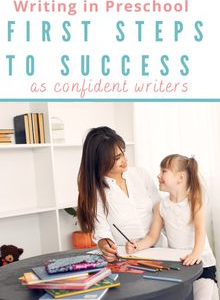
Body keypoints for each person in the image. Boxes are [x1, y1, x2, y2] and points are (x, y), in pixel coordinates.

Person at [125, 154, 218, 300]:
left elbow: (200, 231)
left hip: (202, 263)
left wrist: (195, 254)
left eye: (164, 171)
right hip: (180, 265)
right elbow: (152, 237)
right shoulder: (161, 207)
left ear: (180, 177)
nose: (158, 175)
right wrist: (137, 246)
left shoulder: (195, 202)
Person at [77, 126, 161, 262]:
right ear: (100, 161)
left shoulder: (141, 175)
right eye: (117, 157)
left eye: (123, 152)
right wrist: (106, 246)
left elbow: (160, 211)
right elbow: (102, 233)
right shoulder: (97, 192)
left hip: (161, 251)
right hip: (127, 258)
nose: (125, 160)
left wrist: (148, 240)